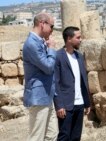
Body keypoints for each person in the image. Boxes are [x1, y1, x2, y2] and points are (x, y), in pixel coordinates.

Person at [22, 12, 58, 141]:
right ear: (43, 24)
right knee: (37, 137)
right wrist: (52, 48)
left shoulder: (40, 41)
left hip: (46, 95)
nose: (52, 30)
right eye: (52, 26)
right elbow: (48, 67)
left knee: (52, 135)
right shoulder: (32, 43)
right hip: (38, 97)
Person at [54, 26, 91, 141]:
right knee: (64, 136)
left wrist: (87, 102)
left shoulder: (79, 56)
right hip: (65, 105)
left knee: (76, 137)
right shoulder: (58, 56)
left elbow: (83, 80)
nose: (80, 40)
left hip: (80, 103)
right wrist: (59, 105)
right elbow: (55, 82)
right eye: (78, 37)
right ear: (69, 38)